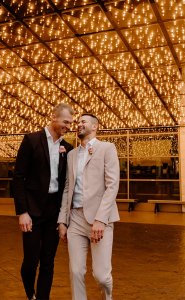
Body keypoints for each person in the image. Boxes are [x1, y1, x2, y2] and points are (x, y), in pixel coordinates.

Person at [13, 103, 74, 300]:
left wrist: (63, 218)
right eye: (65, 121)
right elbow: (19, 177)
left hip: (54, 212)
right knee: (31, 261)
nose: (68, 126)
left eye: (70, 123)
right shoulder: (31, 140)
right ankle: (30, 294)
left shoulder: (68, 148)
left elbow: (66, 184)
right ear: (53, 117)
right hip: (31, 210)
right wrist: (22, 212)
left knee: (48, 261)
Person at [58, 113, 120, 300]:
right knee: (76, 271)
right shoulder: (71, 155)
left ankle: (107, 296)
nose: (79, 124)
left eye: (83, 121)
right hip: (75, 219)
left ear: (95, 127)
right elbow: (68, 188)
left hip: (99, 220)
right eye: (78, 122)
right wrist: (62, 220)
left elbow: (112, 184)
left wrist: (101, 219)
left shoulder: (107, 148)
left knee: (101, 276)